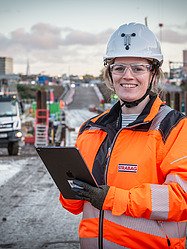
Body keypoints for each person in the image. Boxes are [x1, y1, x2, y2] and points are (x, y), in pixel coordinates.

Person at [59, 22, 187, 249]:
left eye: (138, 68)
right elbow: (74, 206)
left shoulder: (175, 128)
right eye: (119, 68)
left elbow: (180, 199)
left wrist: (113, 199)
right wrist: (69, 188)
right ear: (109, 73)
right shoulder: (91, 130)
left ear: (153, 73)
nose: (127, 76)